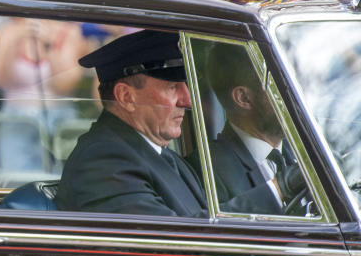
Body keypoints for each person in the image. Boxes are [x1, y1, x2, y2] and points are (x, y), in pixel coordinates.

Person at [57, 30, 279, 216]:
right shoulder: (103, 162)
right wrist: (277, 191)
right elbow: (173, 249)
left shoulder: (161, 155)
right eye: (172, 87)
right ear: (126, 97)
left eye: (185, 85)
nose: (188, 100)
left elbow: (203, 224)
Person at [195, 44, 305, 213]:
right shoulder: (207, 171)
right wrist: (283, 187)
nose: (298, 96)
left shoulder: (308, 150)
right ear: (244, 98)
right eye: (283, 86)